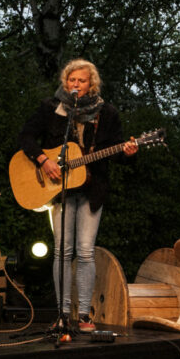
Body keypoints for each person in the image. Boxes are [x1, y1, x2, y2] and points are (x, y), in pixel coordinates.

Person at [18, 59, 136, 332]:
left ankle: (83, 314)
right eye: (72, 80)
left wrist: (129, 153)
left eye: (81, 81)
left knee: (84, 251)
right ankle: (61, 313)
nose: (76, 85)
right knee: (62, 250)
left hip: (91, 191)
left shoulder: (107, 113)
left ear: (91, 84)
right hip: (59, 191)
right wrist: (43, 161)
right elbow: (25, 137)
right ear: (65, 82)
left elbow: (117, 153)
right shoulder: (52, 108)